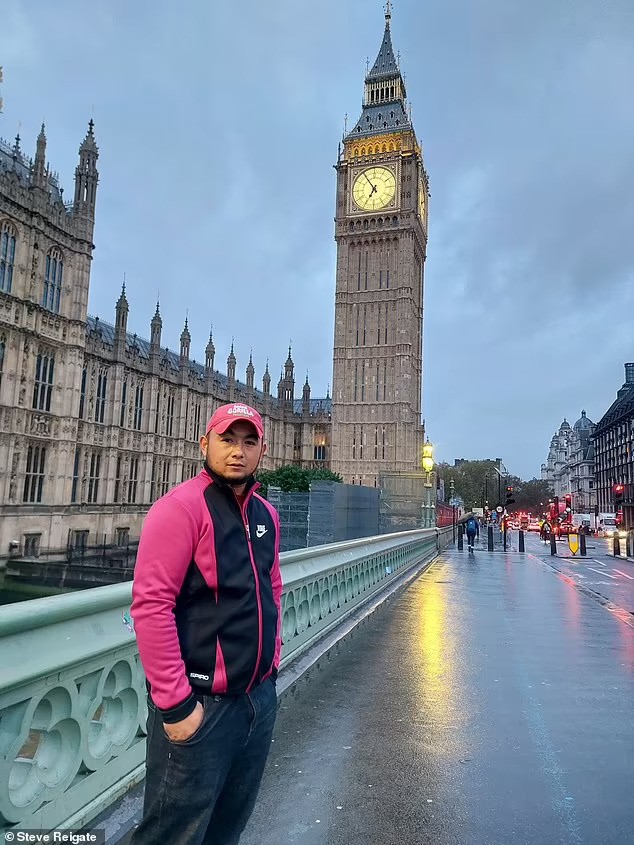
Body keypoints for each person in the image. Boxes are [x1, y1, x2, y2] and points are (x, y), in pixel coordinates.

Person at [130, 402, 282, 845]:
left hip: (257, 701)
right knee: (173, 835)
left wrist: (271, 664)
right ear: (205, 443)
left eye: (248, 442)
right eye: (227, 440)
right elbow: (151, 606)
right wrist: (177, 707)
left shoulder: (266, 515)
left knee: (226, 831)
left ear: (261, 451)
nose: (238, 451)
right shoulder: (179, 509)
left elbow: (272, 587)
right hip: (201, 708)